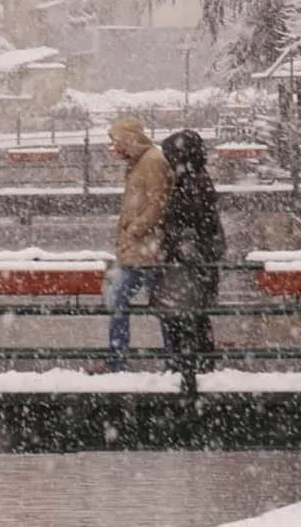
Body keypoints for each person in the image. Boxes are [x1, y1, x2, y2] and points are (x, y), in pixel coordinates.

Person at [95, 117, 174, 373]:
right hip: (140, 249)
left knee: (122, 300)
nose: (114, 146)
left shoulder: (151, 162)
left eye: (116, 140)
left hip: (144, 249)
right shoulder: (142, 161)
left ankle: (119, 359)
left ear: (129, 139)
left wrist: (136, 229)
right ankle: (171, 359)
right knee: (159, 305)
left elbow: (157, 203)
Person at [151, 129, 226, 374]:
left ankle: (187, 369)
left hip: (188, 264)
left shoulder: (189, 184)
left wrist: (176, 245)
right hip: (196, 262)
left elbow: (187, 224)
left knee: (183, 317)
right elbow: (208, 227)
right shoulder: (198, 179)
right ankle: (197, 366)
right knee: (194, 317)